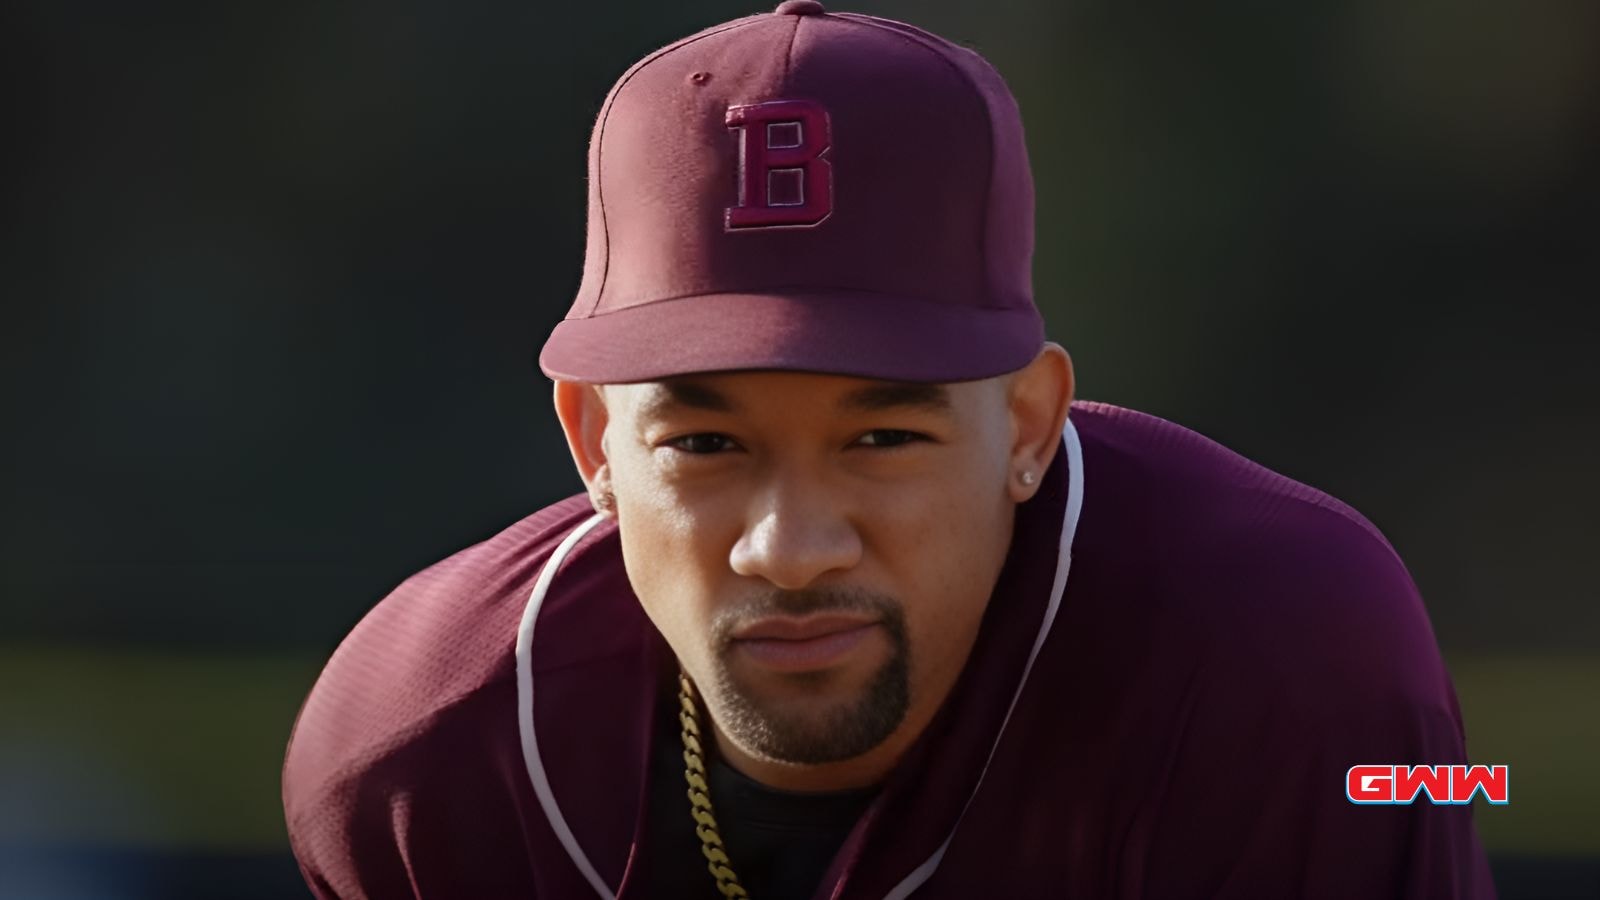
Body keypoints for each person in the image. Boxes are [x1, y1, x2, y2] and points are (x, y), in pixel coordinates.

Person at [281, 3, 1498, 897]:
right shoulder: (420, 758)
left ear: (1026, 424)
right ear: (595, 443)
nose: (793, 547)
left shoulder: (1281, 658)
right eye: (704, 441)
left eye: (881, 435)